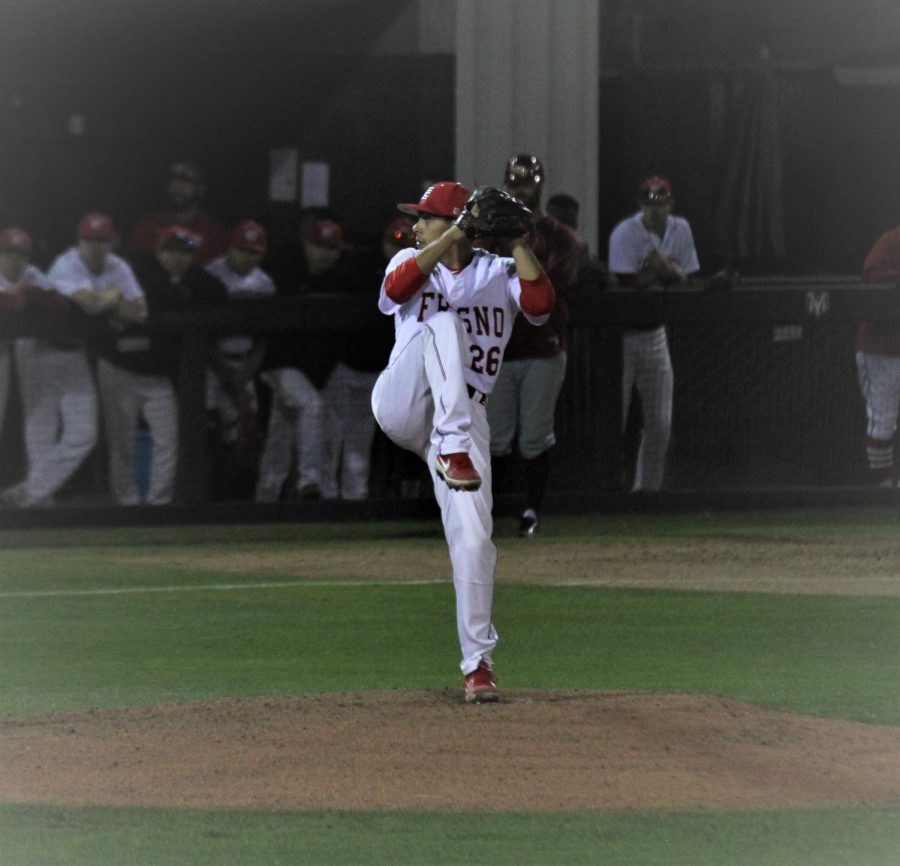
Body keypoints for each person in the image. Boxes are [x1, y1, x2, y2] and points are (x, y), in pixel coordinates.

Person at [371, 181, 554, 702]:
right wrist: (453, 231)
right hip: (405, 401)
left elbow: (540, 308)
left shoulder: (497, 273)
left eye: (426, 217)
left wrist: (519, 242)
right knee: (440, 325)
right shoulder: (408, 256)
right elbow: (396, 292)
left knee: (474, 541)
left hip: (466, 417)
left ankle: (478, 665)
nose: (416, 224)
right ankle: (451, 445)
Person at [6, 214, 142, 506]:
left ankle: (29, 493)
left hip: (71, 351)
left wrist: (108, 298)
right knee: (40, 429)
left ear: (112, 242)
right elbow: (90, 307)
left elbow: (139, 312)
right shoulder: (65, 265)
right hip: (35, 351)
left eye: (101, 240)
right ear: (78, 241)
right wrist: (116, 296)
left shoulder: (34, 273)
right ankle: (40, 504)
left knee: (84, 433)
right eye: (89, 240)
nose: (95, 246)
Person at [482, 154, 581, 537]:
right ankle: (484, 514)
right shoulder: (490, 233)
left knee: (536, 436)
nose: (521, 188)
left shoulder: (559, 236)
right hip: (500, 346)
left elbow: (547, 287)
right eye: (515, 182)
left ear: (540, 184)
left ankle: (530, 511)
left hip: (543, 345)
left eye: (528, 181)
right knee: (494, 437)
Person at [114, 225, 229, 503]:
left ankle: (159, 504)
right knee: (122, 442)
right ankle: (126, 505)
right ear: (158, 251)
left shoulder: (205, 283)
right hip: (124, 368)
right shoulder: (140, 274)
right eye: (171, 250)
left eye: (185, 251)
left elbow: (218, 299)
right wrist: (175, 294)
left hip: (161, 375)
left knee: (168, 441)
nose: (178, 257)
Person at [608, 175, 699, 492]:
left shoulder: (680, 229)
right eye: (649, 205)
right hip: (621, 338)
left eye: (660, 205)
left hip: (656, 335)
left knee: (660, 423)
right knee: (614, 422)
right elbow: (625, 285)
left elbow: (689, 279)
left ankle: (647, 494)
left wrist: (670, 273)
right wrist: (658, 273)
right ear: (640, 205)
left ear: (670, 205)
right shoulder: (625, 233)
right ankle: (608, 492)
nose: (655, 211)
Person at [205, 220, 276, 498]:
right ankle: (203, 496)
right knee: (208, 430)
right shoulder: (211, 275)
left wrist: (247, 371)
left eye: (254, 252)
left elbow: (264, 337)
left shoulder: (264, 283)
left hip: (245, 363)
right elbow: (204, 334)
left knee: (244, 436)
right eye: (242, 250)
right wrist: (225, 373)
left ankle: (233, 498)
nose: (248, 257)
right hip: (211, 364)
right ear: (229, 248)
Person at [856, 224, 900, 487]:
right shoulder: (891, 241)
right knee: (883, 418)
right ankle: (882, 490)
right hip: (881, 347)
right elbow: (872, 276)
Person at [127, 162, 229, 267]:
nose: (178, 188)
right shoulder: (150, 223)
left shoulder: (212, 230)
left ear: (200, 189)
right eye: (174, 183)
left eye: (185, 183)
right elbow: (134, 261)